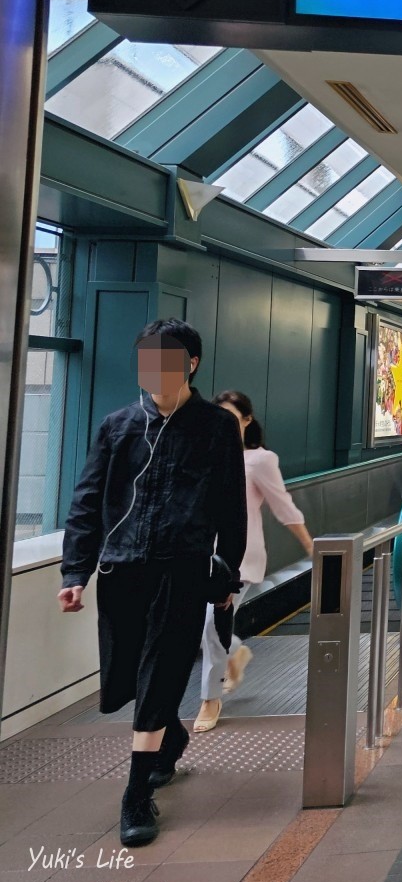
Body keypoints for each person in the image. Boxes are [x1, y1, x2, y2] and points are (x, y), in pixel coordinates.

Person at [59, 320, 247, 847]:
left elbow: (231, 507)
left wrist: (226, 573)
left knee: (161, 670)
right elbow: (87, 502)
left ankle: (136, 794)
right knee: (126, 676)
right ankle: (171, 737)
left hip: (181, 570)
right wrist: (76, 572)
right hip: (122, 570)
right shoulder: (117, 426)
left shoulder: (214, 427)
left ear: (191, 364)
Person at [196, 392, 315, 733]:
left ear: (247, 420)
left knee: (209, 624)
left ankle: (210, 698)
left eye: (231, 417)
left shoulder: (259, 460)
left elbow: (283, 506)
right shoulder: (206, 454)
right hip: (201, 555)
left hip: (239, 558)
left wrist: (310, 546)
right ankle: (234, 653)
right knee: (206, 627)